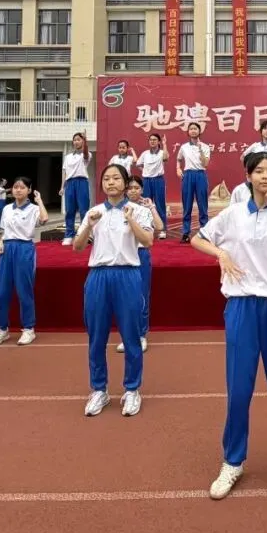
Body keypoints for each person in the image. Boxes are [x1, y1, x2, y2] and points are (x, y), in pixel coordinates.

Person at [192, 152, 267, 500]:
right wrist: (221, 254)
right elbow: (197, 238)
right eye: (259, 171)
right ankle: (233, 460)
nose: (265, 176)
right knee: (239, 389)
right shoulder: (233, 214)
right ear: (248, 175)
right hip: (242, 306)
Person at [76, 163, 154, 418]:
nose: (110, 182)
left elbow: (148, 241)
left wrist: (130, 219)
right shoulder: (94, 211)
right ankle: (99, 389)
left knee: (131, 336)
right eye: (106, 179)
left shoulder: (139, 211)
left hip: (127, 274)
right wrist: (89, 226)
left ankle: (132, 389)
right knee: (96, 337)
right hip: (98, 276)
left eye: (116, 178)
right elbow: (77, 246)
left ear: (125, 182)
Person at [0, 178, 49, 347]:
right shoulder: (7, 209)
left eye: (22, 187)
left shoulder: (33, 209)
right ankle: (2, 329)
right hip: (7, 249)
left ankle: (28, 328)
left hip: (24, 248)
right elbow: (6, 230)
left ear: (29, 190)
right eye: (15, 187)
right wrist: (0, 242)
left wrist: (39, 201)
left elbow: (44, 219)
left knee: (24, 290)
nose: (18, 190)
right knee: (2, 291)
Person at [122, 174, 164, 353]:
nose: (133, 191)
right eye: (130, 188)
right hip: (124, 254)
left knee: (141, 296)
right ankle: (127, 336)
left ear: (141, 190)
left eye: (136, 188)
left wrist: (152, 207)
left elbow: (159, 227)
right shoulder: (119, 208)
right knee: (125, 297)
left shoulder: (145, 209)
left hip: (140, 253)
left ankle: (140, 335)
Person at [177, 123, 212, 243]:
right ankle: (186, 233)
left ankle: (204, 232)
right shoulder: (184, 147)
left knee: (203, 205)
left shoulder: (205, 147)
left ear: (199, 131)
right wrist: (178, 168)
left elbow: (205, 164)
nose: (193, 131)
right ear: (188, 132)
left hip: (200, 175)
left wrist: (200, 148)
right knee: (187, 205)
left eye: (195, 129)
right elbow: (179, 159)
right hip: (188, 175)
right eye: (191, 129)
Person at [61, 132, 93, 246]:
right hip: (70, 183)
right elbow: (65, 173)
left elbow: (85, 154)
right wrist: (62, 187)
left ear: (82, 142)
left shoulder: (86, 154)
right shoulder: (68, 157)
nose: (76, 142)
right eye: (75, 140)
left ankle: (84, 234)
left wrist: (86, 142)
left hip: (82, 182)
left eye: (79, 139)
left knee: (84, 210)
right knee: (69, 210)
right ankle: (69, 235)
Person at [136, 133, 169, 238]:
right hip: (146, 181)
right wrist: (145, 171)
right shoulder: (145, 153)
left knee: (160, 205)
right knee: (145, 205)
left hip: (158, 180)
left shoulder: (162, 152)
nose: (152, 141)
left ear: (158, 141)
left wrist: (164, 144)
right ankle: (146, 228)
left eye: (155, 140)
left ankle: (162, 230)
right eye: (150, 140)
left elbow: (166, 158)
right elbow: (138, 164)